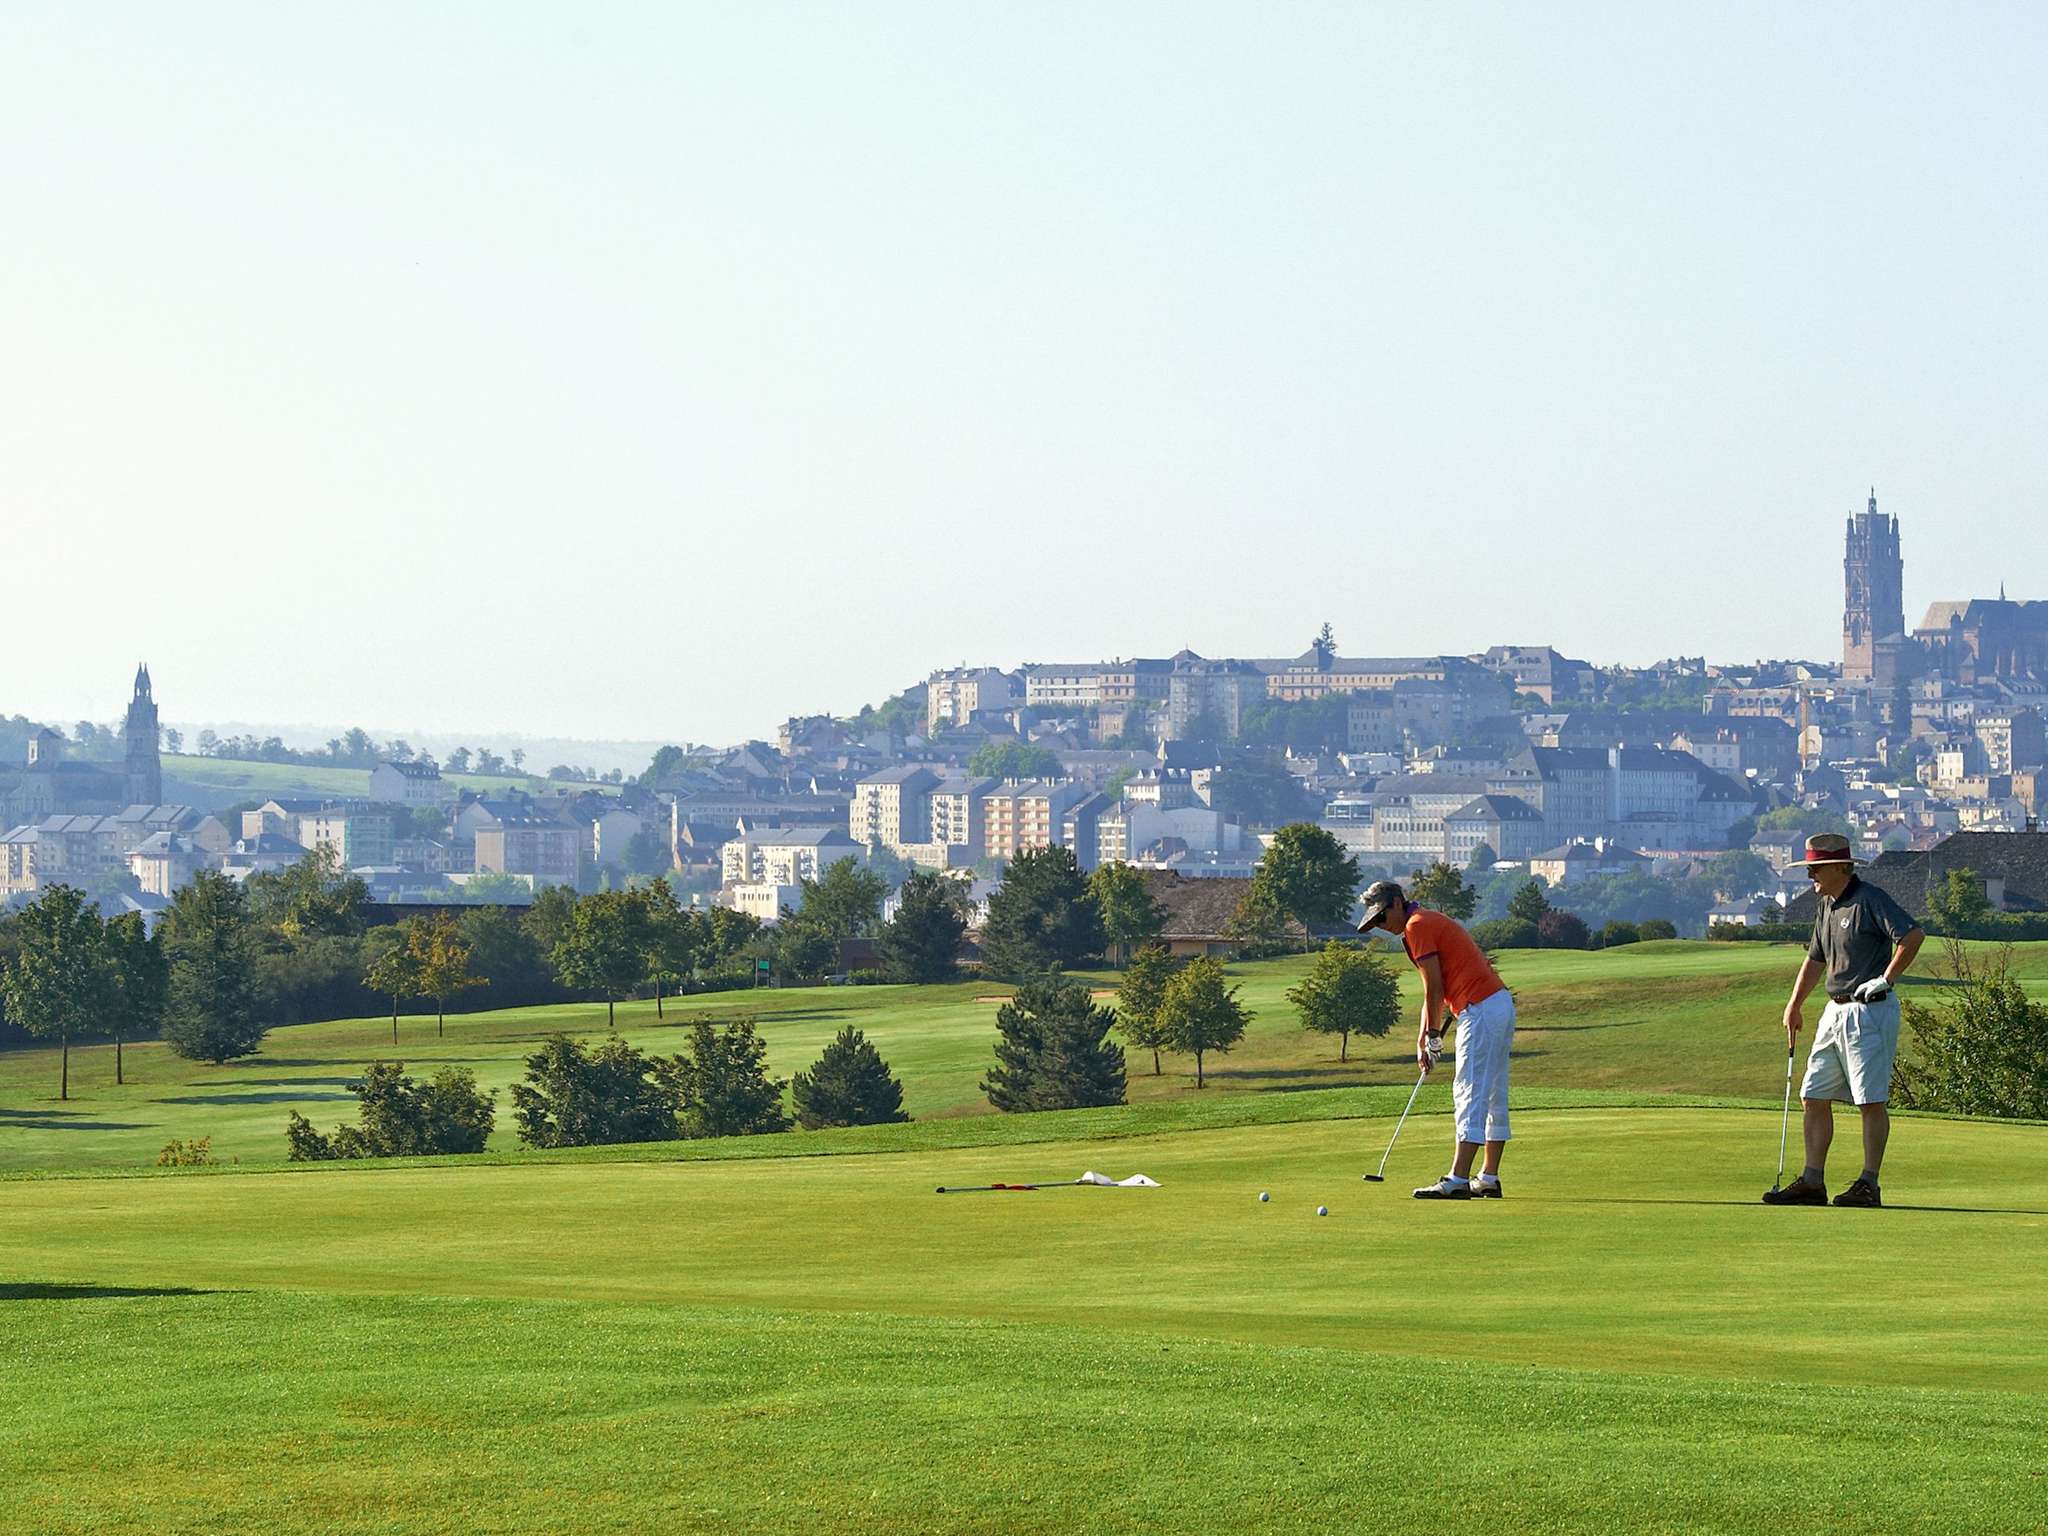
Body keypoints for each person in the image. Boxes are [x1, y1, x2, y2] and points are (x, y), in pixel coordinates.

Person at [1763, 833, 1924, 1209]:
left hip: (1869, 1009)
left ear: (1839, 867)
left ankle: (1869, 1184)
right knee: (1813, 1094)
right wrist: (1794, 1004)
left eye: (1816, 868)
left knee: (1869, 1100)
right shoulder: (1826, 906)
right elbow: (1815, 959)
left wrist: (1887, 978)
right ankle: (1812, 1181)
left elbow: (1912, 935)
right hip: (1833, 1011)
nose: (1811, 876)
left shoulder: (1869, 898)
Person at [1357, 879, 1516, 1200]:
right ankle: (1488, 1177)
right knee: (1492, 1094)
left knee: (1469, 1090)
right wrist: (1422, 1040)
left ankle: (1458, 1178)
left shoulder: (1416, 926)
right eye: (1375, 923)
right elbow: (1433, 990)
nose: (1381, 926)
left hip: (1480, 1007)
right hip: (1496, 1003)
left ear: (1397, 903)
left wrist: (1433, 1036)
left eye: (1382, 917)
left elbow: (1434, 988)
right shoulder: (1423, 922)